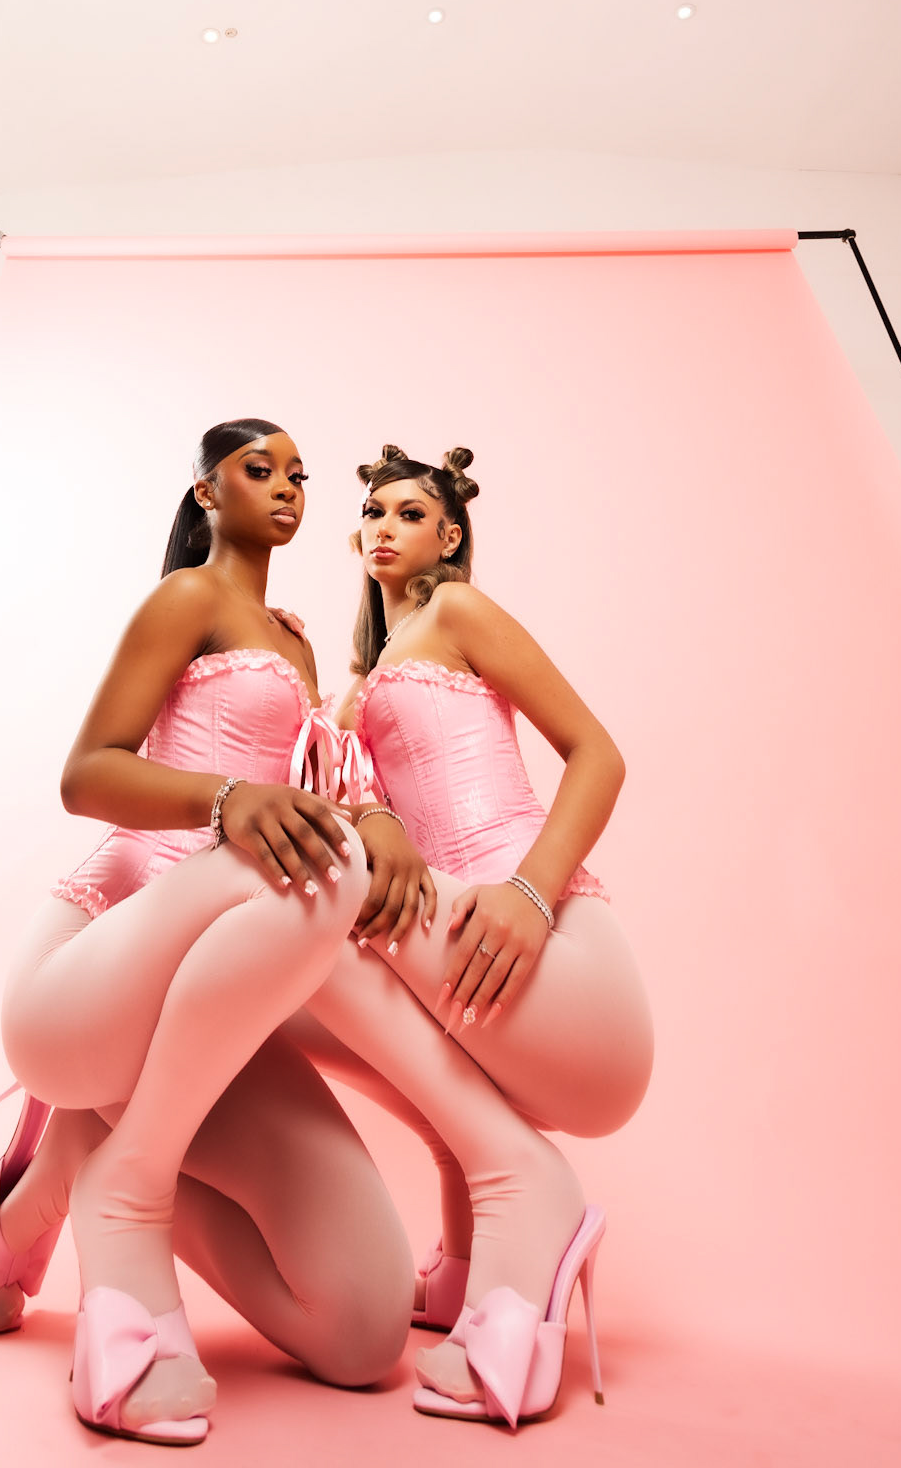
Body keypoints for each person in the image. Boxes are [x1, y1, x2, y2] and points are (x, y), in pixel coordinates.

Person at [0, 419, 411, 1444]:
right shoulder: (186, 599)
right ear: (208, 491)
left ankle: (69, 1157)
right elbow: (87, 774)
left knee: (366, 1330)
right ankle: (120, 1193)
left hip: (218, 1000)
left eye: (298, 475)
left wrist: (378, 821)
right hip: (100, 968)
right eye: (260, 469)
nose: (287, 487)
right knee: (320, 859)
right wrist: (225, 799)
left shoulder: (295, 639)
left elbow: (325, 794)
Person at [281, 442, 654, 1427]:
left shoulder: (456, 612)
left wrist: (531, 892)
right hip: (463, 952)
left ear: (449, 536)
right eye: (373, 512)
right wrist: (293, 685)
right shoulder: (357, 681)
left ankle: (525, 1198)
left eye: (409, 513)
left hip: (552, 946)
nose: (384, 526)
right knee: (280, 958)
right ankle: (463, 1257)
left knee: (313, 918)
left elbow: (598, 753)